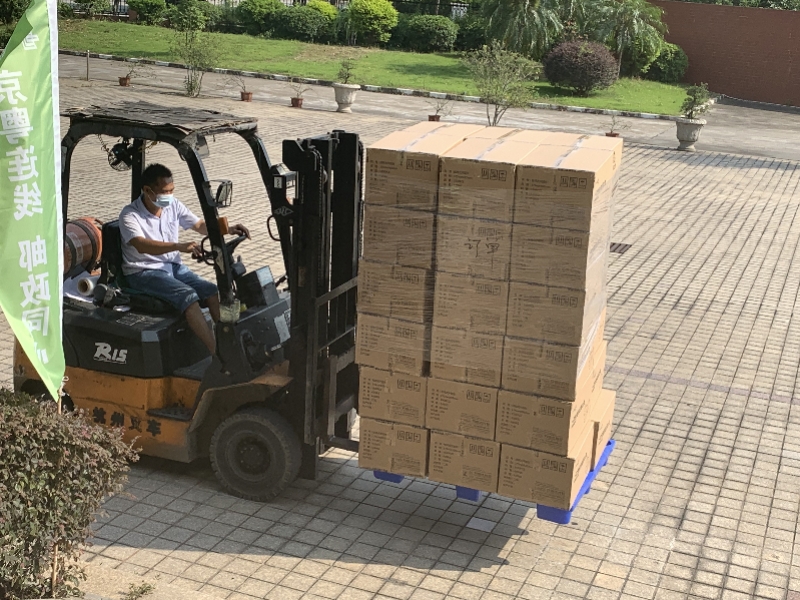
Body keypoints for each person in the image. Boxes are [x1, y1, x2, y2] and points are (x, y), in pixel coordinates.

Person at [119, 163, 249, 354]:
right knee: (189, 297)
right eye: (165, 192)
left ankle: (233, 343)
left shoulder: (172, 205)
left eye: (172, 190)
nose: (169, 195)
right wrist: (179, 246)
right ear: (147, 190)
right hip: (143, 271)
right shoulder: (130, 215)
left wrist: (227, 229)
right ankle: (217, 354)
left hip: (171, 266)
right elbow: (141, 245)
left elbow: (199, 225)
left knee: (211, 291)